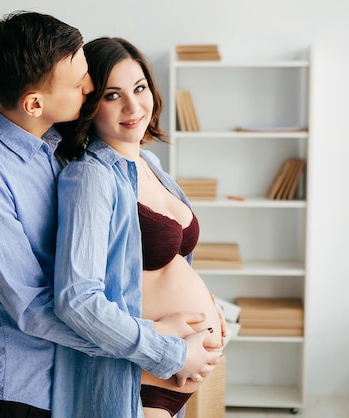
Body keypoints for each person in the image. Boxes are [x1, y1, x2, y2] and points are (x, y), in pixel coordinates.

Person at [0, 11, 219, 418]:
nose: (89, 86)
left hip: (77, 375)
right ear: (34, 102)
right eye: (81, 83)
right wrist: (161, 344)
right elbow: (35, 306)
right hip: (14, 387)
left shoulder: (58, 149)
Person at [53, 37, 225, 418]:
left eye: (140, 87)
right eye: (113, 95)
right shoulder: (90, 177)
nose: (133, 106)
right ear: (89, 103)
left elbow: (169, 269)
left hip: (174, 371)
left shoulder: (151, 165)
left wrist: (210, 309)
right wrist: (170, 347)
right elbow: (77, 298)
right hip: (140, 377)